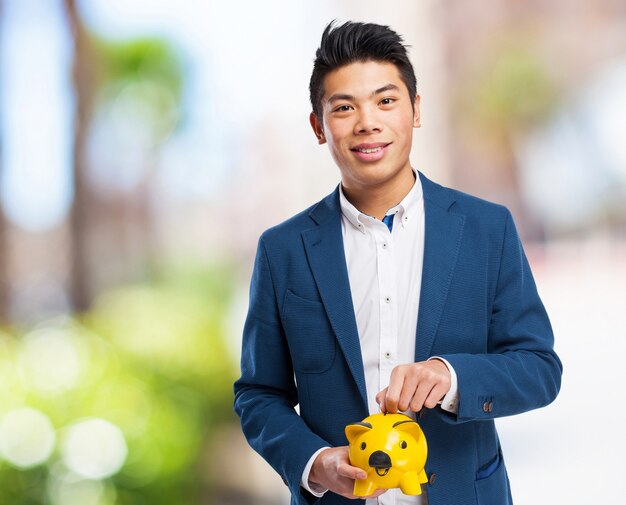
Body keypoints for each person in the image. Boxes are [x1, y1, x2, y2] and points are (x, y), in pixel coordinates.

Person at [233, 20, 562, 505]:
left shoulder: (487, 228)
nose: (368, 122)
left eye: (386, 101)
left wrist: (451, 377)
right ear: (319, 127)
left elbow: (538, 369)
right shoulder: (283, 250)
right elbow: (259, 395)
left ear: (416, 109)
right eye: (344, 108)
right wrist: (313, 462)